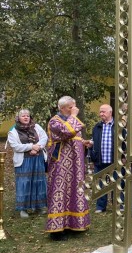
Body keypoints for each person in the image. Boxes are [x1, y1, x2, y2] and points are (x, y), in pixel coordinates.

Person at [46, 96, 91, 239]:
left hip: (75, 165)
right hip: (60, 166)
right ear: (63, 108)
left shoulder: (70, 120)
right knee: (60, 193)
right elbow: (67, 132)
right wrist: (73, 116)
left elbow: (73, 138)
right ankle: (56, 230)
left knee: (74, 191)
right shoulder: (55, 121)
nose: (75, 109)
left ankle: (73, 224)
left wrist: (83, 143)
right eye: (72, 107)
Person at [7, 109, 48, 218]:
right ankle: (23, 209)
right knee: (24, 183)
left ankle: (38, 207)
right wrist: (31, 146)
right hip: (23, 161)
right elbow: (15, 146)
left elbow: (44, 137)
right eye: (23, 116)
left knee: (38, 182)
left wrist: (37, 147)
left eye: (28, 116)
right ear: (18, 118)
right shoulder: (13, 131)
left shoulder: (36, 127)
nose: (26, 117)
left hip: (37, 159)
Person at [88, 104, 115, 213]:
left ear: (110, 112)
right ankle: (100, 206)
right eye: (100, 112)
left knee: (116, 183)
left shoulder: (118, 126)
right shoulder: (97, 127)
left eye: (103, 111)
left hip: (114, 161)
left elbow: (124, 143)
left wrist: (123, 157)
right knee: (100, 184)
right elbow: (94, 142)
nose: (101, 114)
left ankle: (117, 205)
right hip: (100, 161)